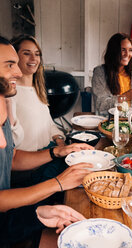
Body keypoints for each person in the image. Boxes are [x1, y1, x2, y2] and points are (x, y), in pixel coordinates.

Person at [0, 35, 93, 245]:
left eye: (37, 54)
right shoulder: (10, 98)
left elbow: (12, 156)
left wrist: (58, 149)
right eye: (10, 64)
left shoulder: (25, 93)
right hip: (26, 178)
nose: (17, 71)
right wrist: (57, 183)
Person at [8, 35, 65, 151]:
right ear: (15, 57)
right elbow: (11, 140)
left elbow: (48, 123)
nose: (33, 59)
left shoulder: (37, 89)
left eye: (37, 54)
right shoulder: (10, 94)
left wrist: (59, 139)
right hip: (28, 163)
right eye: (27, 53)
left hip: (47, 152)